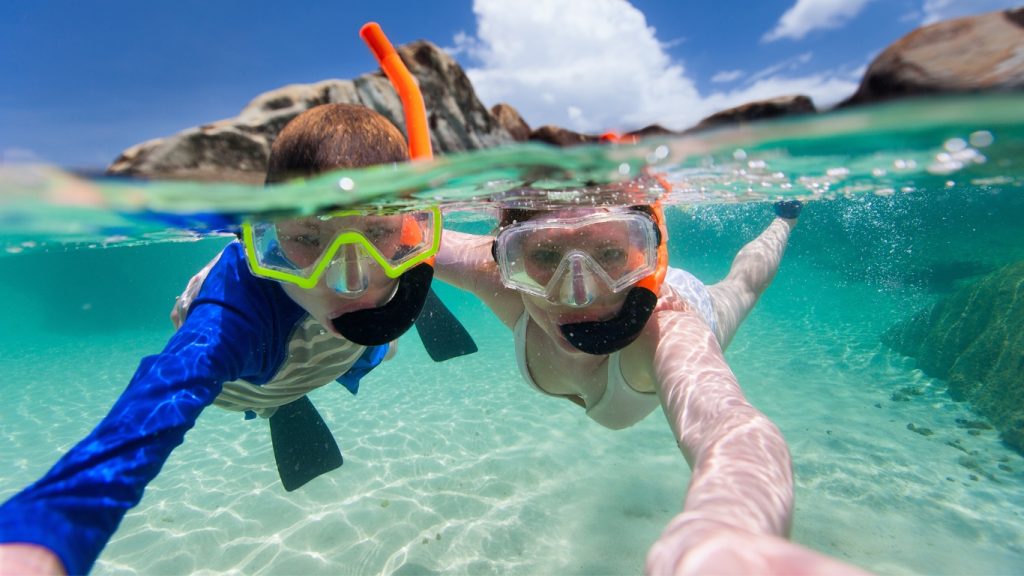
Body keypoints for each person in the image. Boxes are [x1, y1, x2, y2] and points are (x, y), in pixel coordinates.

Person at [0, 103, 445, 575]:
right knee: (299, 366)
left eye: (377, 232)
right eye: (309, 240)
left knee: (377, 346)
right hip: (250, 380)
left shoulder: (402, 252)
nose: (348, 282)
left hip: (339, 353)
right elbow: (157, 401)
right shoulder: (235, 316)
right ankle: (278, 404)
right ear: (265, 231)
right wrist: (46, 534)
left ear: (405, 225)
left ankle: (322, 368)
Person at [434, 188, 871, 575]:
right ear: (507, 258)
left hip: (682, 304)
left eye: (608, 253)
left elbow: (728, 425)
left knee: (743, 285)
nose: (578, 294)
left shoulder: (670, 333)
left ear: (648, 251)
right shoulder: (497, 279)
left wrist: (726, 529)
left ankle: (786, 218)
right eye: (546, 256)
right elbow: (408, 237)